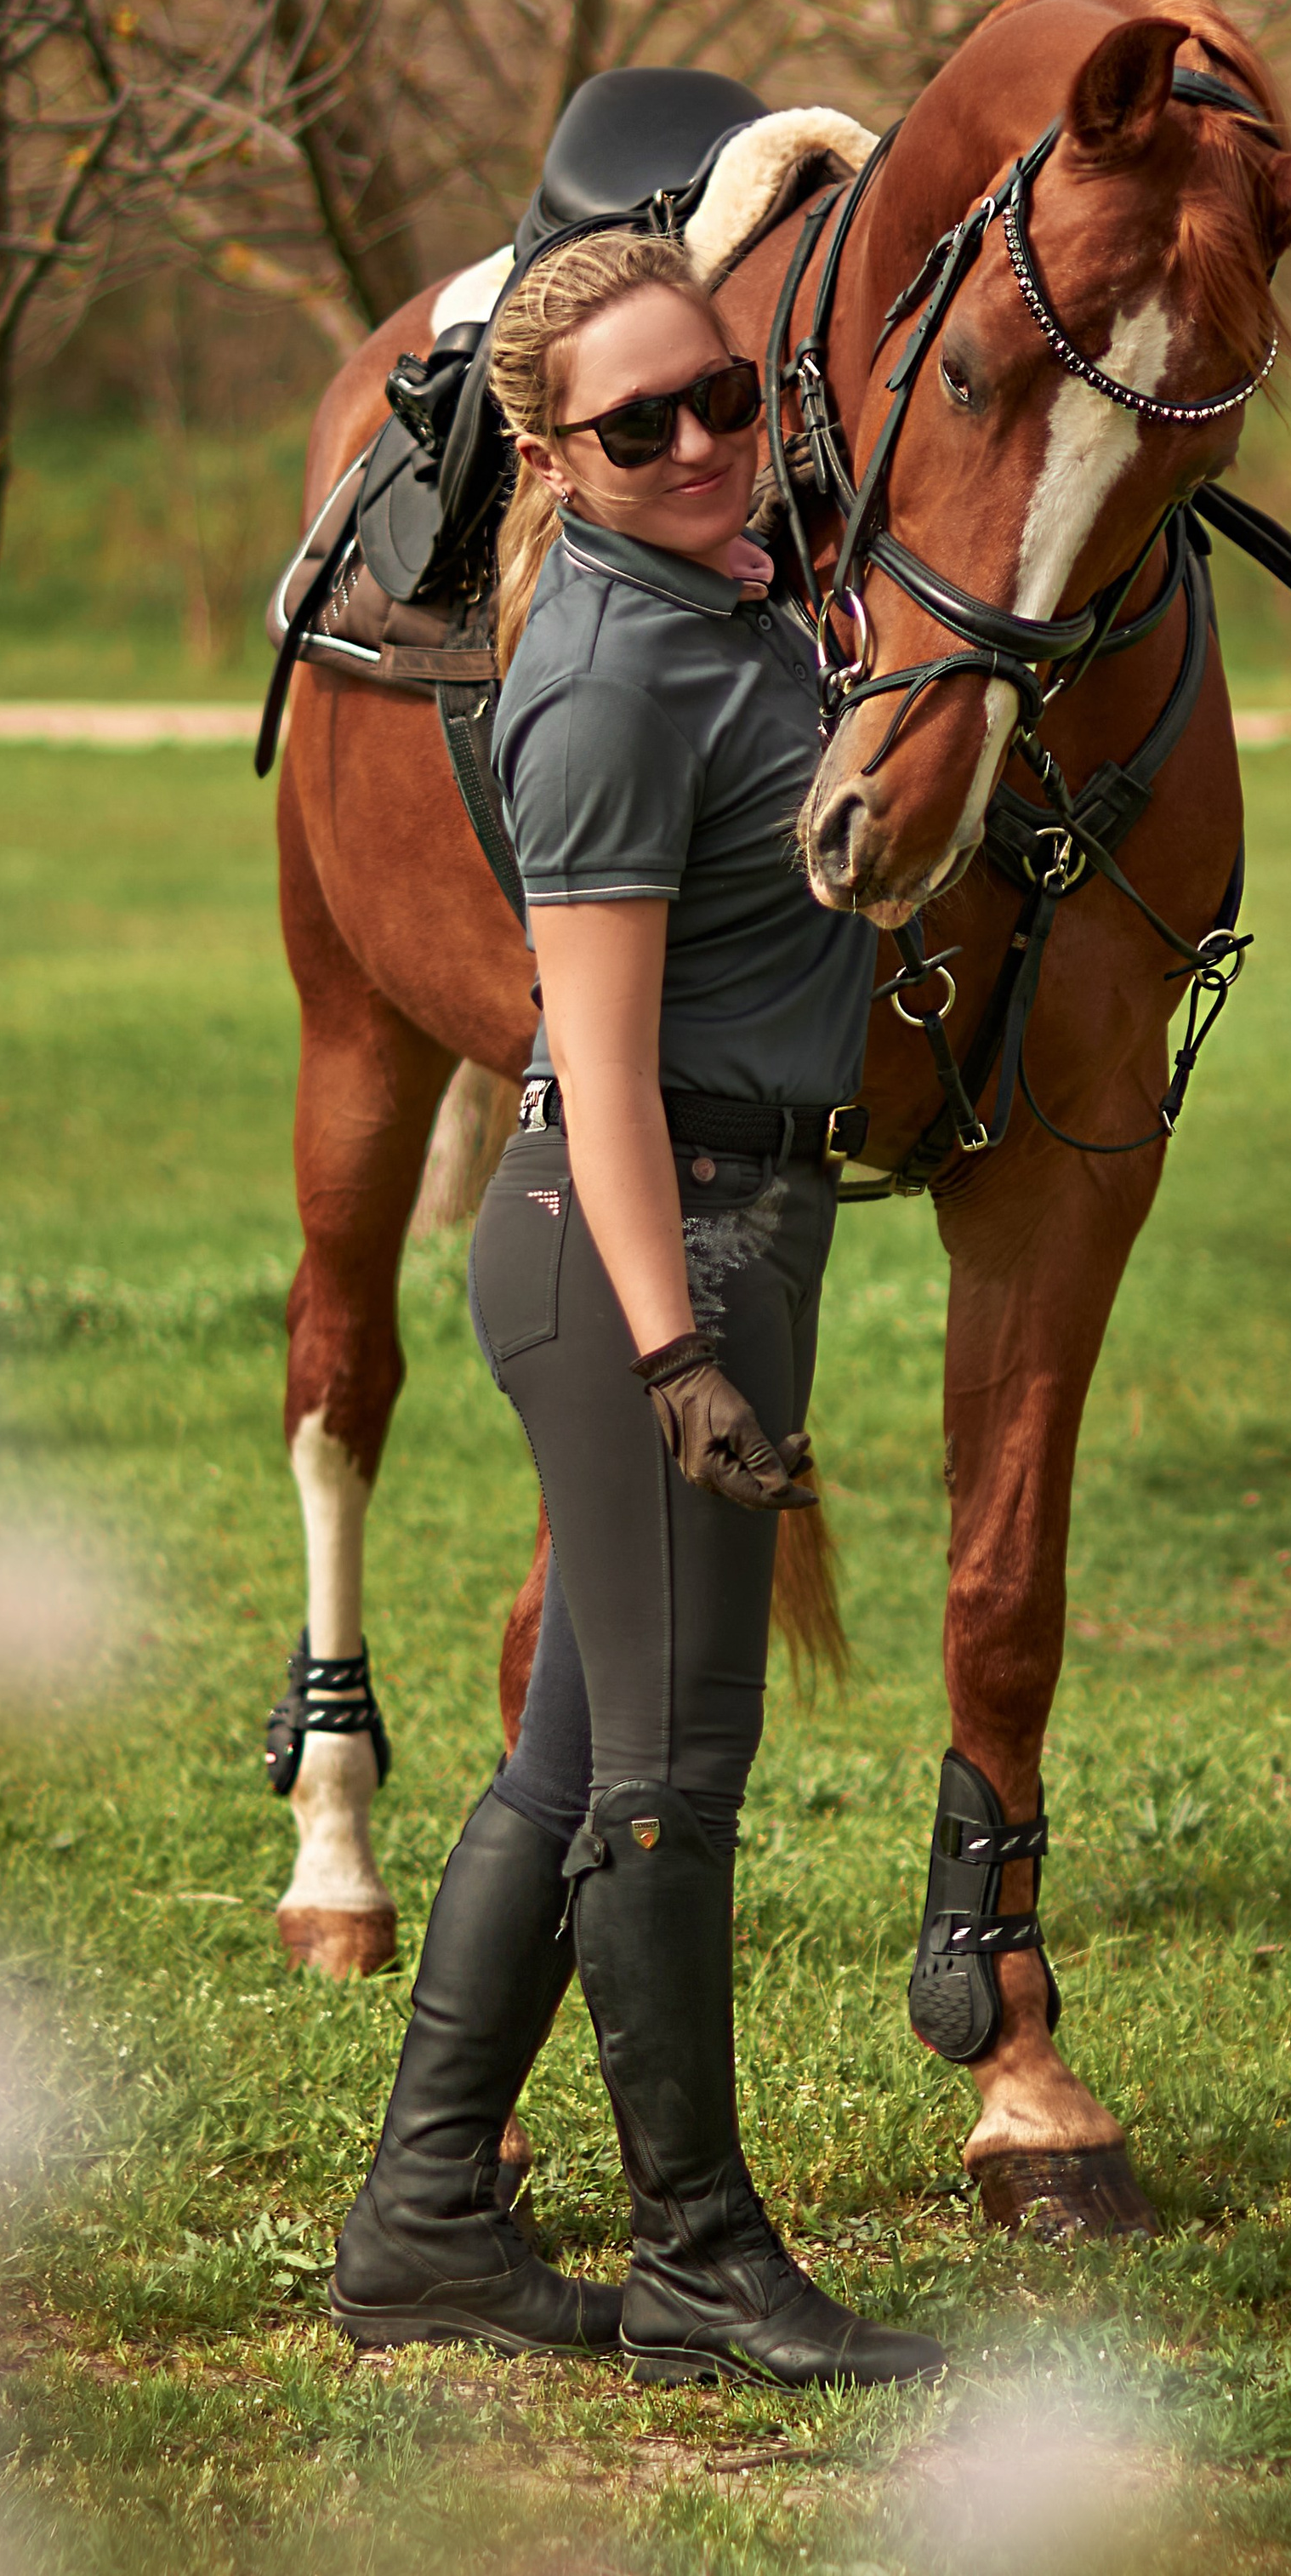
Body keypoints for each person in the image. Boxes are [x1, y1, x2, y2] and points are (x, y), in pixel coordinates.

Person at [329, 231, 943, 2391]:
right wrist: (678, 1355)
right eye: (637, 425)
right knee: (674, 1772)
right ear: (550, 458)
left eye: (723, 400)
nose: (699, 445)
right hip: (641, 1240)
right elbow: (582, 1054)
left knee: (580, 1750)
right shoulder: (603, 677)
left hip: (719, 1215)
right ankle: (693, 2260)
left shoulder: (731, 592)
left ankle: (419, 2225)